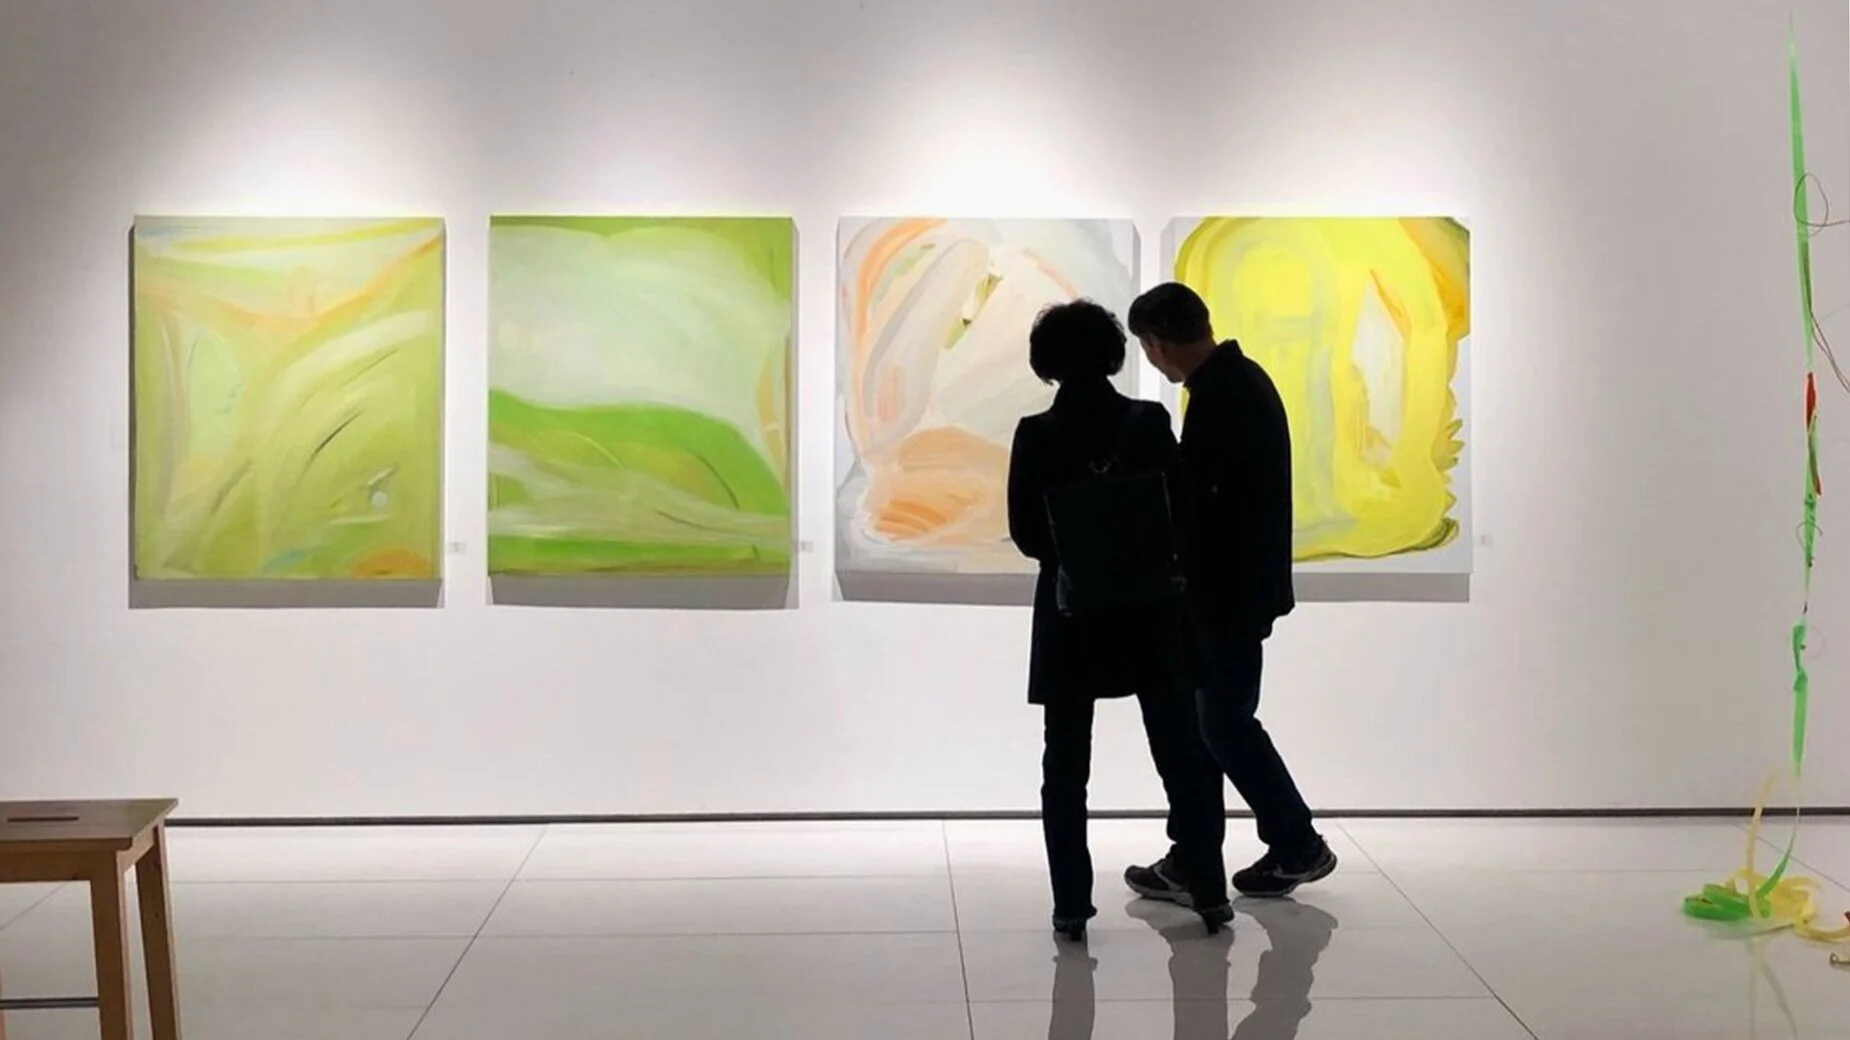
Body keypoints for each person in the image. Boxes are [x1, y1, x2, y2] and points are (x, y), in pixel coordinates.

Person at [1006, 299, 1234, 939]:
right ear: (1112, 353)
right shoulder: (1148, 422)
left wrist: (1076, 551)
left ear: (1047, 362)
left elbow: (1027, 534)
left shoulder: (1036, 434)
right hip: (1151, 612)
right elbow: (1183, 513)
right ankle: (1209, 894)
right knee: (1180, 754)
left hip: (1071, 614)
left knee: (1065, 765)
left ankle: (1070, 906)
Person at [1122, 282, 1337, 899]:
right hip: (1234, 590)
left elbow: (1205, 506)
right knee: (1212, 725)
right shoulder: (1238, 382)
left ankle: (1293, 842)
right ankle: (1199, 855)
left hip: (1224, 594)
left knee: (1221, 724)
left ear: (1156, 342)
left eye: (1148, 347)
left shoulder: (1223, 394)